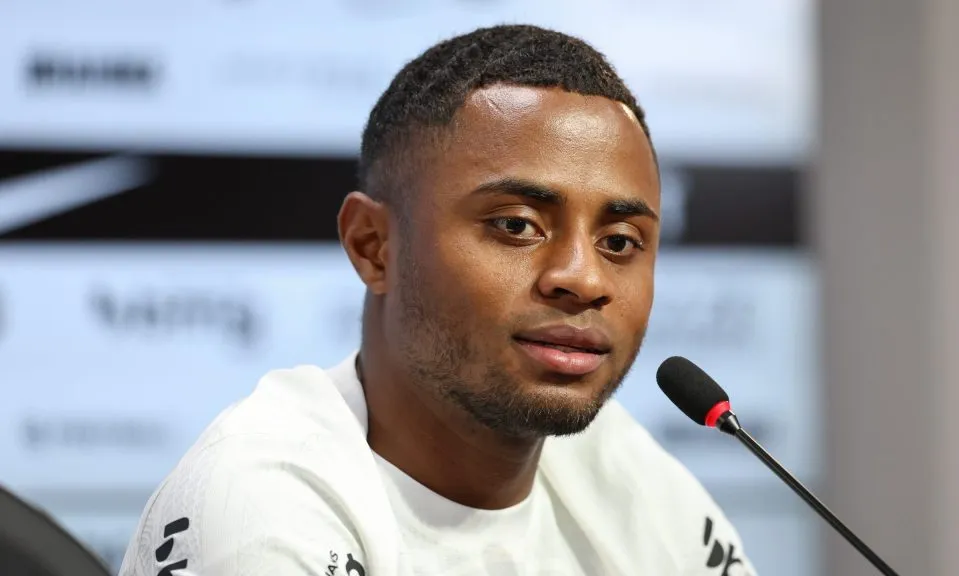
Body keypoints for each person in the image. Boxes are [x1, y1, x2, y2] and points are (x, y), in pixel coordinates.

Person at [119, 24, 755, 576]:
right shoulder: (262, 503)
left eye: (620, 241)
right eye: (515, 225)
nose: (584, 279)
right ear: (374, 246)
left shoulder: (618, 470)